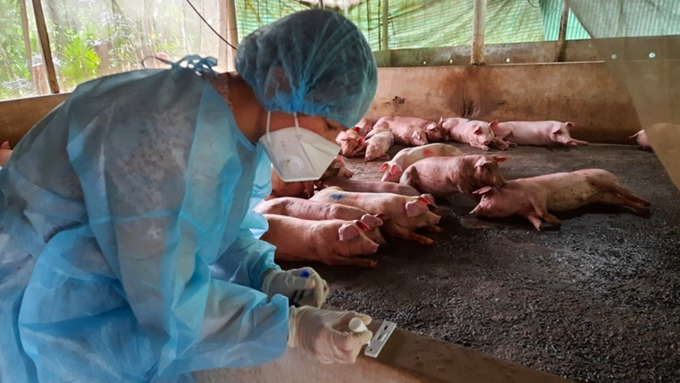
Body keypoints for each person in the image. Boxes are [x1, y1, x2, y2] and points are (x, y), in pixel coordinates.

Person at [0, 9, 377, 383]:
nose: (331, 146)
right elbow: (165, 296)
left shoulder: (241, 132)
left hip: (93, 277)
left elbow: (211, 227)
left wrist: (261, 274)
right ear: (280, 82)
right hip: (37, 286)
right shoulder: (166, 133)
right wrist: (292, 326)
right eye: (329, 126)